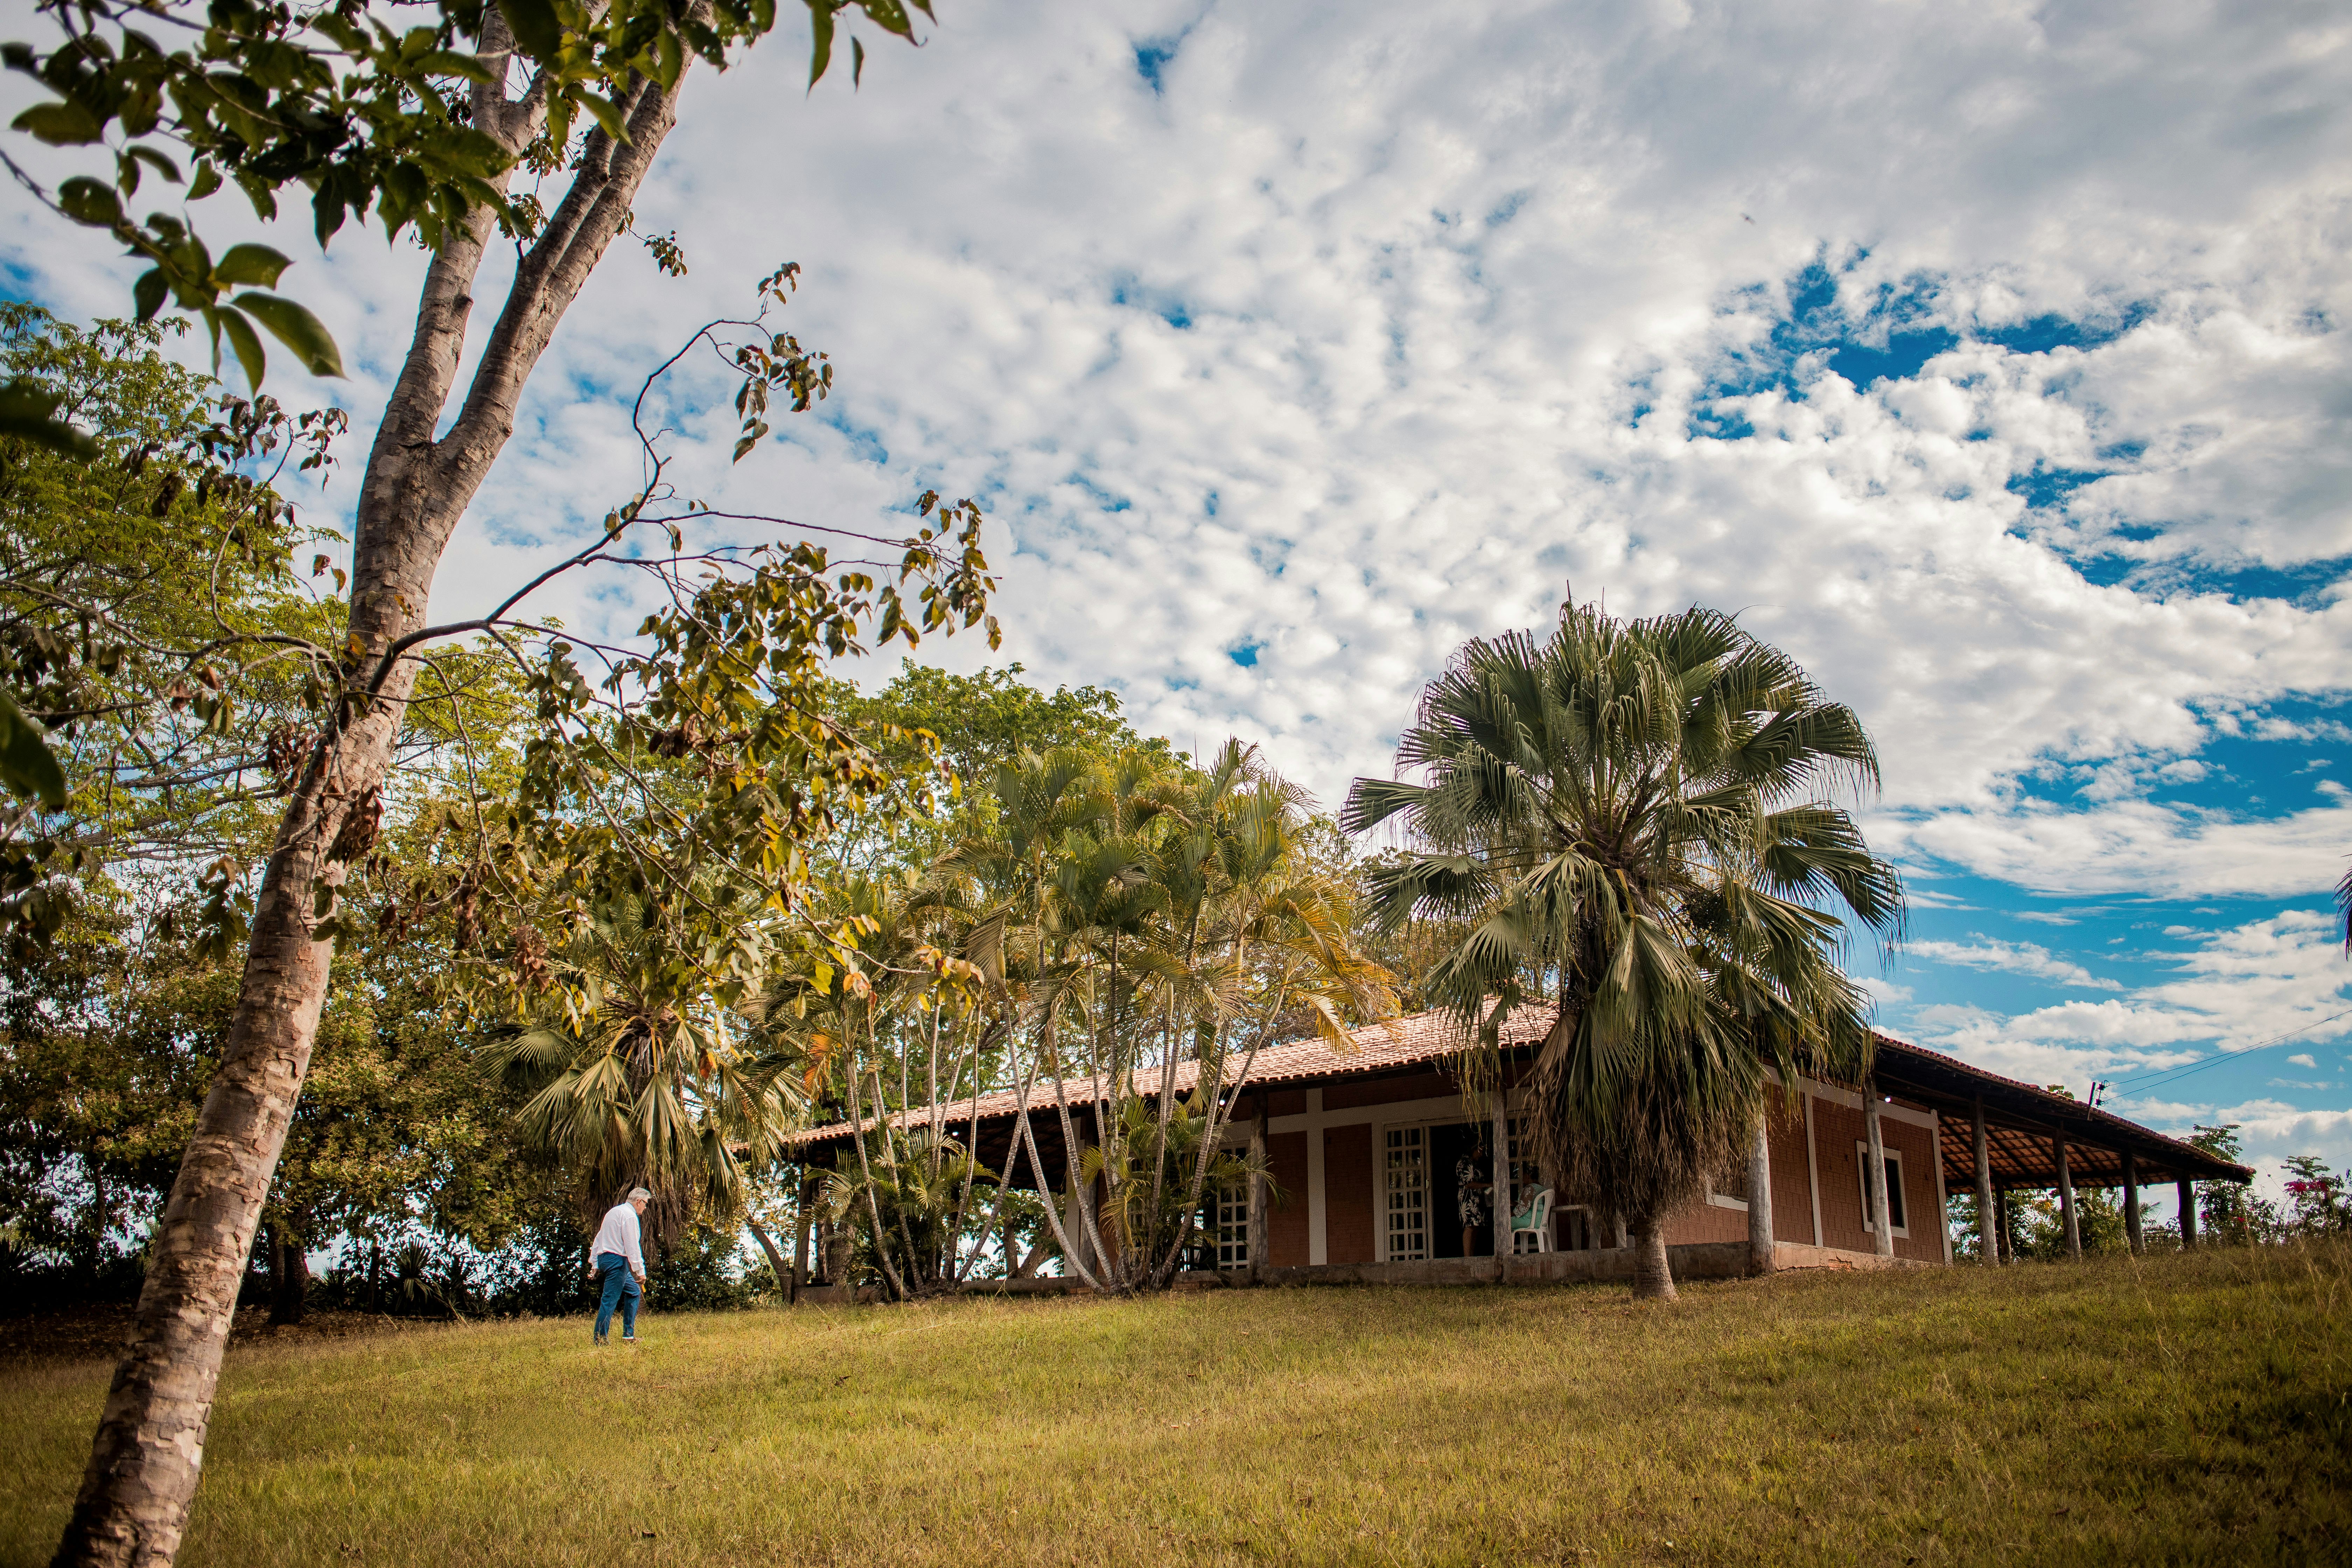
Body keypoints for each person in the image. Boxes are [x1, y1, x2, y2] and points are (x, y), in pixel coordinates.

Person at [589, 1187, 650, 1344]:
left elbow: (599, 1237)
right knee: (609, 1300)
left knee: (634, 1292)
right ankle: (600, 1340)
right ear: (639, 1202)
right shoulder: (630, 1216)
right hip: (617, 1261)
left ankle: (628, 1336)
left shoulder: (613, 1212)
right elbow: (632, 1246)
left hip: (606, 1259)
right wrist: (640, 1271)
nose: (645, 1208)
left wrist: (595, 1263)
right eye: (645, 1204)